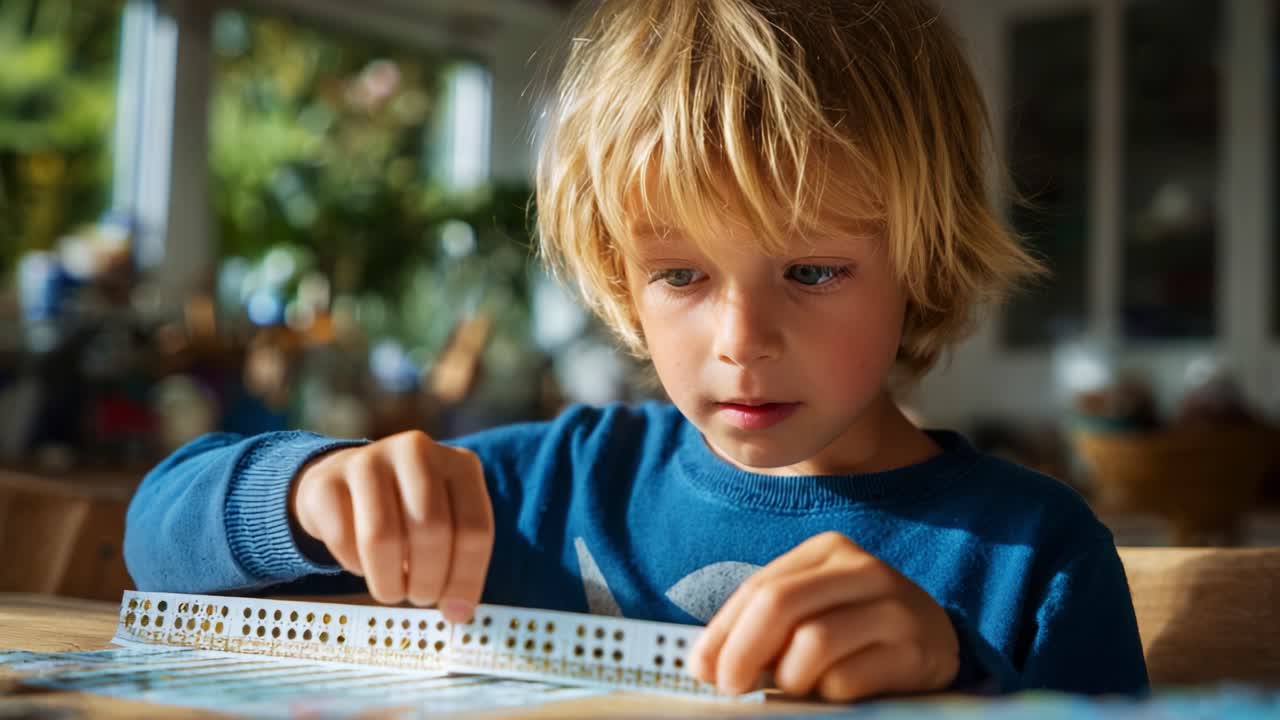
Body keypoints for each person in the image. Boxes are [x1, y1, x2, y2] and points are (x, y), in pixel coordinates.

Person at [125, 0, 1149, 702]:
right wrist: (307, 497)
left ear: (919, 261)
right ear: (622, 282)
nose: (740, 342)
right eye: (680, 276)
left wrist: (954, 680)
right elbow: (151, 542)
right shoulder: (542, 490)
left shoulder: (1036, 560)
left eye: (811, 271)